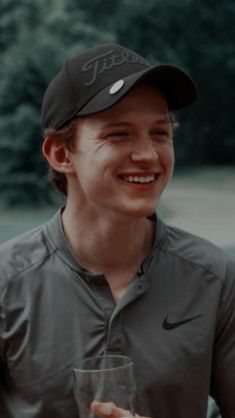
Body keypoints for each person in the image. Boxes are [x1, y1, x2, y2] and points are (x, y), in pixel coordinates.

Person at [0, 42, 234, 418]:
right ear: (61, 154)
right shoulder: (6, 282)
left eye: (160, 133)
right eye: (118, 134)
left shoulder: (216, 278)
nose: (148, 155)